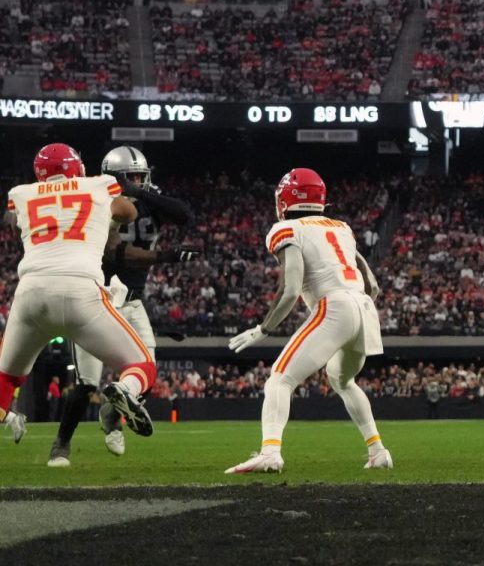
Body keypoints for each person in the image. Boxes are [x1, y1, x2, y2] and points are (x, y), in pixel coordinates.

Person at [224, 168, 391, 474]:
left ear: (285, 200)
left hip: (334, 306)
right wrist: (353, 307)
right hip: (364, 308)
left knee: (279, 379)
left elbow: (289, 290)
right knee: (342, 380)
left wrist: (263, 329)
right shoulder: (342, 227)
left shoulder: (285, 229)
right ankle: (378, 451)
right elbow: (373, 285)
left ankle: (270, 452)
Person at [0, 143, 159, 448]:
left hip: (30, 292)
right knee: (142, 366)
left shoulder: (20, 194)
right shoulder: (100, 184)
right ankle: (126, 390)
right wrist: (105, 215)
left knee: (6, 379)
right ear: (76, 166)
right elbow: (129, 212)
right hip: (81, 290)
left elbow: (16, 220)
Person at [49, 146, 197, 468]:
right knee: (86, 383)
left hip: (131, 299)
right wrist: (166, 255)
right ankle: (61, 445)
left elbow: (185, 215)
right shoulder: (95, 198)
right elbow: (117, 253)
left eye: (141, 177)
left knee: (147, 370)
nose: (138, 183)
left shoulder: (145, 199)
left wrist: (139, 193)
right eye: (131, 177)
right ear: (113, 177)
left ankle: (112, 414)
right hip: (95, 299)